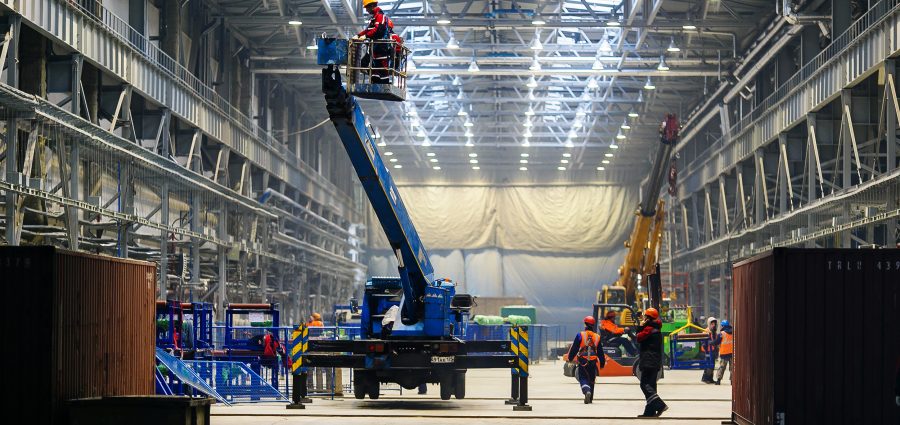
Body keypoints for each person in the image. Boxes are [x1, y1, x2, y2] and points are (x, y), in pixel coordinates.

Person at [636, 307, 668, 417]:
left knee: (644, 385)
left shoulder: (648, 329)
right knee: (651, 386)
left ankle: (660, 405)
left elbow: (638, 338)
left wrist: (640, 326)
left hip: (649, 361)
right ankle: (649, 412)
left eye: (645, 316)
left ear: (648, 318)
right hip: (655, 361)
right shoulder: (655, 328)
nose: (643, 318)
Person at [566, 316, 606, 404]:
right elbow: (600, 352)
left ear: (585, 324)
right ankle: (590, 398)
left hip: (583, 360)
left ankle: (586, 391)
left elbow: (574, 348)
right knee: (592, 378)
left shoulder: (580, 335)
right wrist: (602, 363)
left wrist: (570, 358)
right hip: (593, 360)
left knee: (583, 377)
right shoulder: (597, 337)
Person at [355, 0, 392, 83]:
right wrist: (358, 35)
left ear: (372, 6)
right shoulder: (374, 18)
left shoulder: (380, 16)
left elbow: (378, 29)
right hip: (375, 47)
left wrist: (366, 36)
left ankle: (384, 85)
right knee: (374, 66)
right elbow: (368, 30)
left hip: (381, 47)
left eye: (367, 8)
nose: (366, 10)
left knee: (382, 67)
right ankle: (375, 84)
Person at [701, 316, 719, 384]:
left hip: (713, 351)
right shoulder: (706, 331)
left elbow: (716, 342)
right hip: (707, 351)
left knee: (712, 365)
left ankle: (710, 378)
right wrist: (706, 349)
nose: (713, 325)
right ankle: (705, 378)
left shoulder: (714, 332)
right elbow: (703, 342)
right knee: (708, 365)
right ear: (709, 324)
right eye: (712, 324)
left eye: (714, 324)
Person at [715, 319, 733, 385]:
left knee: (722, 367)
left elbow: (717, 342)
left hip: (724, 353)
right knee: (732, 368)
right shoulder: (733, 332)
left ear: (723, 326)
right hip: (732, 353)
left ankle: (718, 380)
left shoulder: (722, 334)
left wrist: (711, 342)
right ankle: (732, 381)